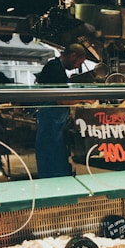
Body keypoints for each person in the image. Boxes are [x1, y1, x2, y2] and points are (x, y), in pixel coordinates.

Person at [34, 43, 87, 178]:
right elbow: (61, 100)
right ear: (73, 56)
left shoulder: (56, 67)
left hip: (54, 122)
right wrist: (84, 99)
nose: (77, 67)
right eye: (78, 63)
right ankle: (54, 190)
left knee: (55, 158)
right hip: (51, 122)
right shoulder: (54, 68)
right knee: (52, 160)